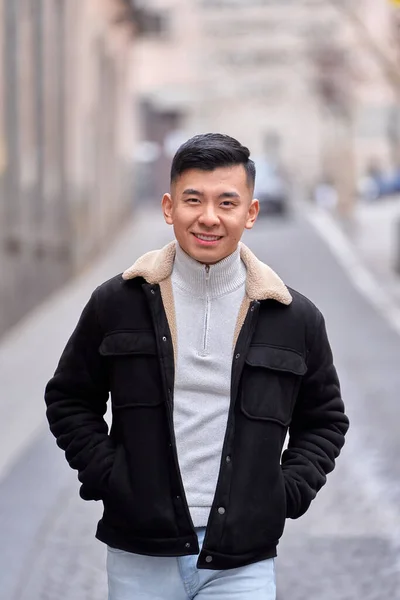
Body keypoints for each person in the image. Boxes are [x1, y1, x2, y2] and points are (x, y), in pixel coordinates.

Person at [45, 133, 349, 599]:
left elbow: (325, 420)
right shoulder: (117, 302)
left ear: (250, 213)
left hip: (242, 560)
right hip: (140, 555)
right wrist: (112, 476)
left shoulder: (293, 316)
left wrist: (283, 493)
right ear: (170, 208)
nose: (209, 217)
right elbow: (68, 399)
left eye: (227, 202)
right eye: (194, 200)